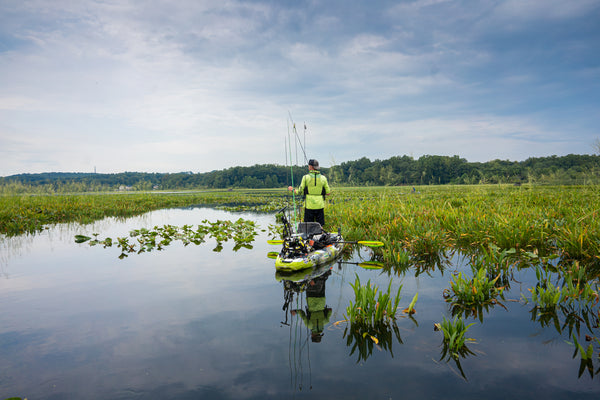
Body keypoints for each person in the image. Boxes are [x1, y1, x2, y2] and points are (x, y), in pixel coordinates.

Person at [288, 159, 331, 227]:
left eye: (309, 166)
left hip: (309, 206)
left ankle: (310, 237)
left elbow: (299, 192)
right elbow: (328, 193)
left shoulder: (305, 178)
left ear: (310, 167)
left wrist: (292, 189)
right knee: (320, 226)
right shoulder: (323, 178)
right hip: (320, 205)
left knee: (308, 227)